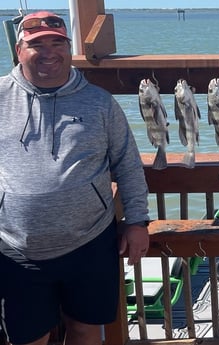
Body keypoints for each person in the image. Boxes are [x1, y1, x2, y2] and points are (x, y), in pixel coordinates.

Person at [0, 11, 150, 345]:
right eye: (37, 44)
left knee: (85, 329)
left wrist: (138, 221)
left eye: (58, 43)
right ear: (19, 50)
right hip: (16, 248)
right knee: (28, 338)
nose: (49, 51)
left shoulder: (100, 103)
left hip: (90, 243)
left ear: (69, 49)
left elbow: (127, 164)